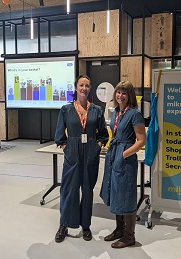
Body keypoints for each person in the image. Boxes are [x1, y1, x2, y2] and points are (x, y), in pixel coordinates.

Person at [54, 75, 109, 243]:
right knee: (68, 191)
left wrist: (97, 146)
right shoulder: (66, 109)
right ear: (76, 88)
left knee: (87, 192)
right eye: (81, 85)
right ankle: (64, 224)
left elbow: (103, 134)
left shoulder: (97, 110)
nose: (84, 88)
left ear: (90, 89)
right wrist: (67, 148)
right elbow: (59, 135)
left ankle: (86, 225)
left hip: (90, 156)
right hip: (72, 156)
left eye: (87, 85)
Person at [100, 80, 146, 248]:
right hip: (114, 154)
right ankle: (119, 229)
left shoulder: (134, 114)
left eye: (124, 93)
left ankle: (129, 236)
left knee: (126, 195)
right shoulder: (117, 112)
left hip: (125, 158)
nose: (120, 95)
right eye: (118, 92)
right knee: (116, 192)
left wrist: (124, 154)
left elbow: (141, 140)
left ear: (130, 96)